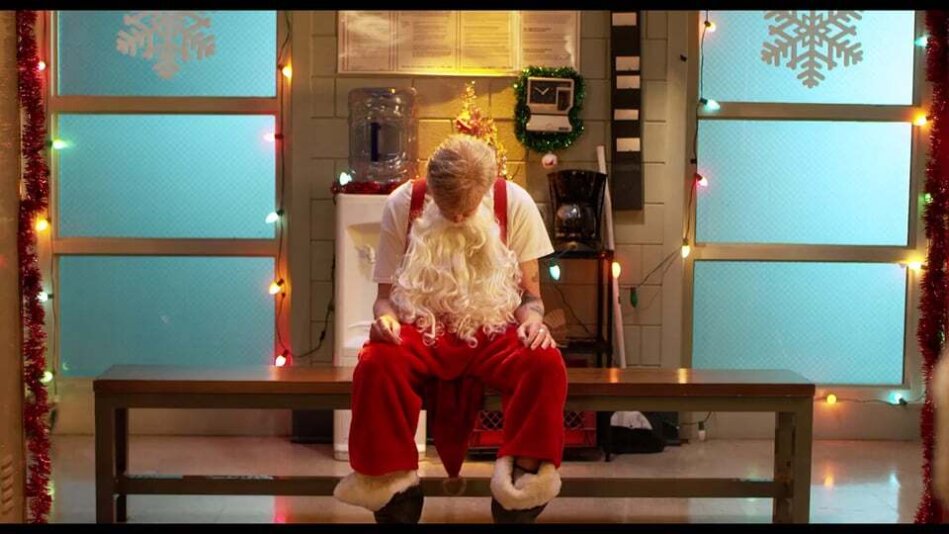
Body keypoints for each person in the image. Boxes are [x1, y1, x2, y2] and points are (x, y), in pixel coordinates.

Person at [333, 134, 568, 523]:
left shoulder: (516, 202)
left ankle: (522, 483)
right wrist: (384, 320)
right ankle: (392, 487)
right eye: (448, 208)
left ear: (487, 188)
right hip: (420, 326)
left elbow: (531, 299)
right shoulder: (402, 203)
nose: (458, 217)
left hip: (494, 327)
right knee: (376, 362)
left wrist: (534, 323)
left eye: (467, 208)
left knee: (545, 362)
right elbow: (384, 299)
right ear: (432, 188)